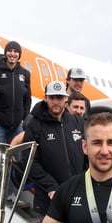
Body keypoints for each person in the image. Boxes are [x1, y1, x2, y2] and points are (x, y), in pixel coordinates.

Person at [23, 81, 86, 216]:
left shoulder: (77, 122)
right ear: (45, 98)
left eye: (59, 98)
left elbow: (88, 155)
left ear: (66, 99)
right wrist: (50, 185)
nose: (56, 102)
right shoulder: (35, 124)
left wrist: (83, 182)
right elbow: (29, 161)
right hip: (48, 196)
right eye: (52, 98)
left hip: (77, 194)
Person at [0, 41, 31, 144]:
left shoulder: (25, 74)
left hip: (17, 127)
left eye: (15, 51)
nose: (12, 54)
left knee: (16, 159)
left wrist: (23, 118)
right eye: (9, 51)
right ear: (5, 53)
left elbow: (27, 99)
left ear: (19, 55)